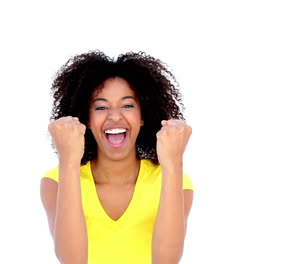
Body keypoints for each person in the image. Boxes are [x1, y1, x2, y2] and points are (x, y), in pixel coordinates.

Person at [40, 51, 194, 264]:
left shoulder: (175, 179)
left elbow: (166, 261)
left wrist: (174, 162)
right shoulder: (55, 181)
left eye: (128, 105)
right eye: (101, 107)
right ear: (86, 119)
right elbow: (72, 260)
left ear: (142, 116)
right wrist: (68, 160)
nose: (114, 116)